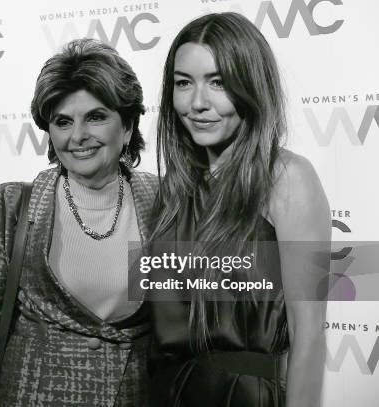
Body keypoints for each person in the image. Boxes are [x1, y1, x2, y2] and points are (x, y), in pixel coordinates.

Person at [0, 38, 157, 406]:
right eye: (63, 122)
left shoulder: (164, 201)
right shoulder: (11, 206)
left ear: (127, 126)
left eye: (95, 117)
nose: (77, 136)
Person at [149, 12, 330, 406]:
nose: (197, 103)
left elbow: (310, 332)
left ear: (250, 85)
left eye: (218, 82)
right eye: (183, 84)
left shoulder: (287, 178)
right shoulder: (173, 190)